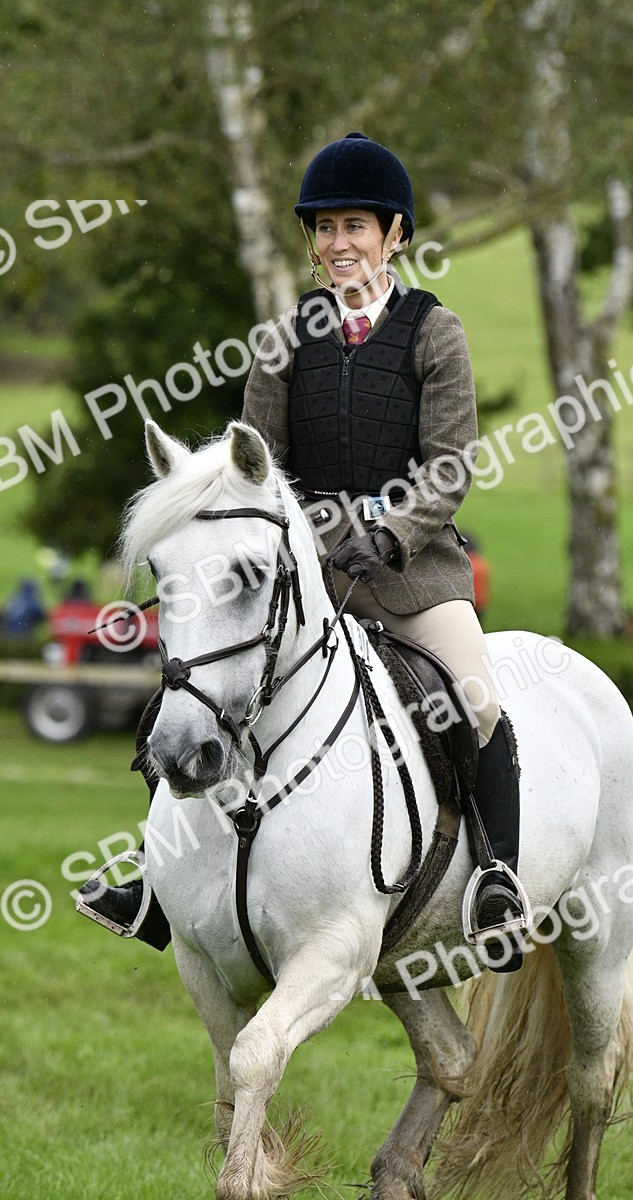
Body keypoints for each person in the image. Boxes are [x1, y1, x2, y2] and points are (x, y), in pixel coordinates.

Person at [82, 133, 528, 972]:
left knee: (476, 702)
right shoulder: (281, 340)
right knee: (188, 695)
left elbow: (451, 467)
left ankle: (496, 879)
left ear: (394, 233)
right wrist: (309, 540)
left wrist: (387, 531)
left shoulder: (436, 333)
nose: (336, 244)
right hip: (305, 578)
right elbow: (262, 472)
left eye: (354, 225)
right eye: (322, 228)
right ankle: (153, 880)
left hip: (413, 572)